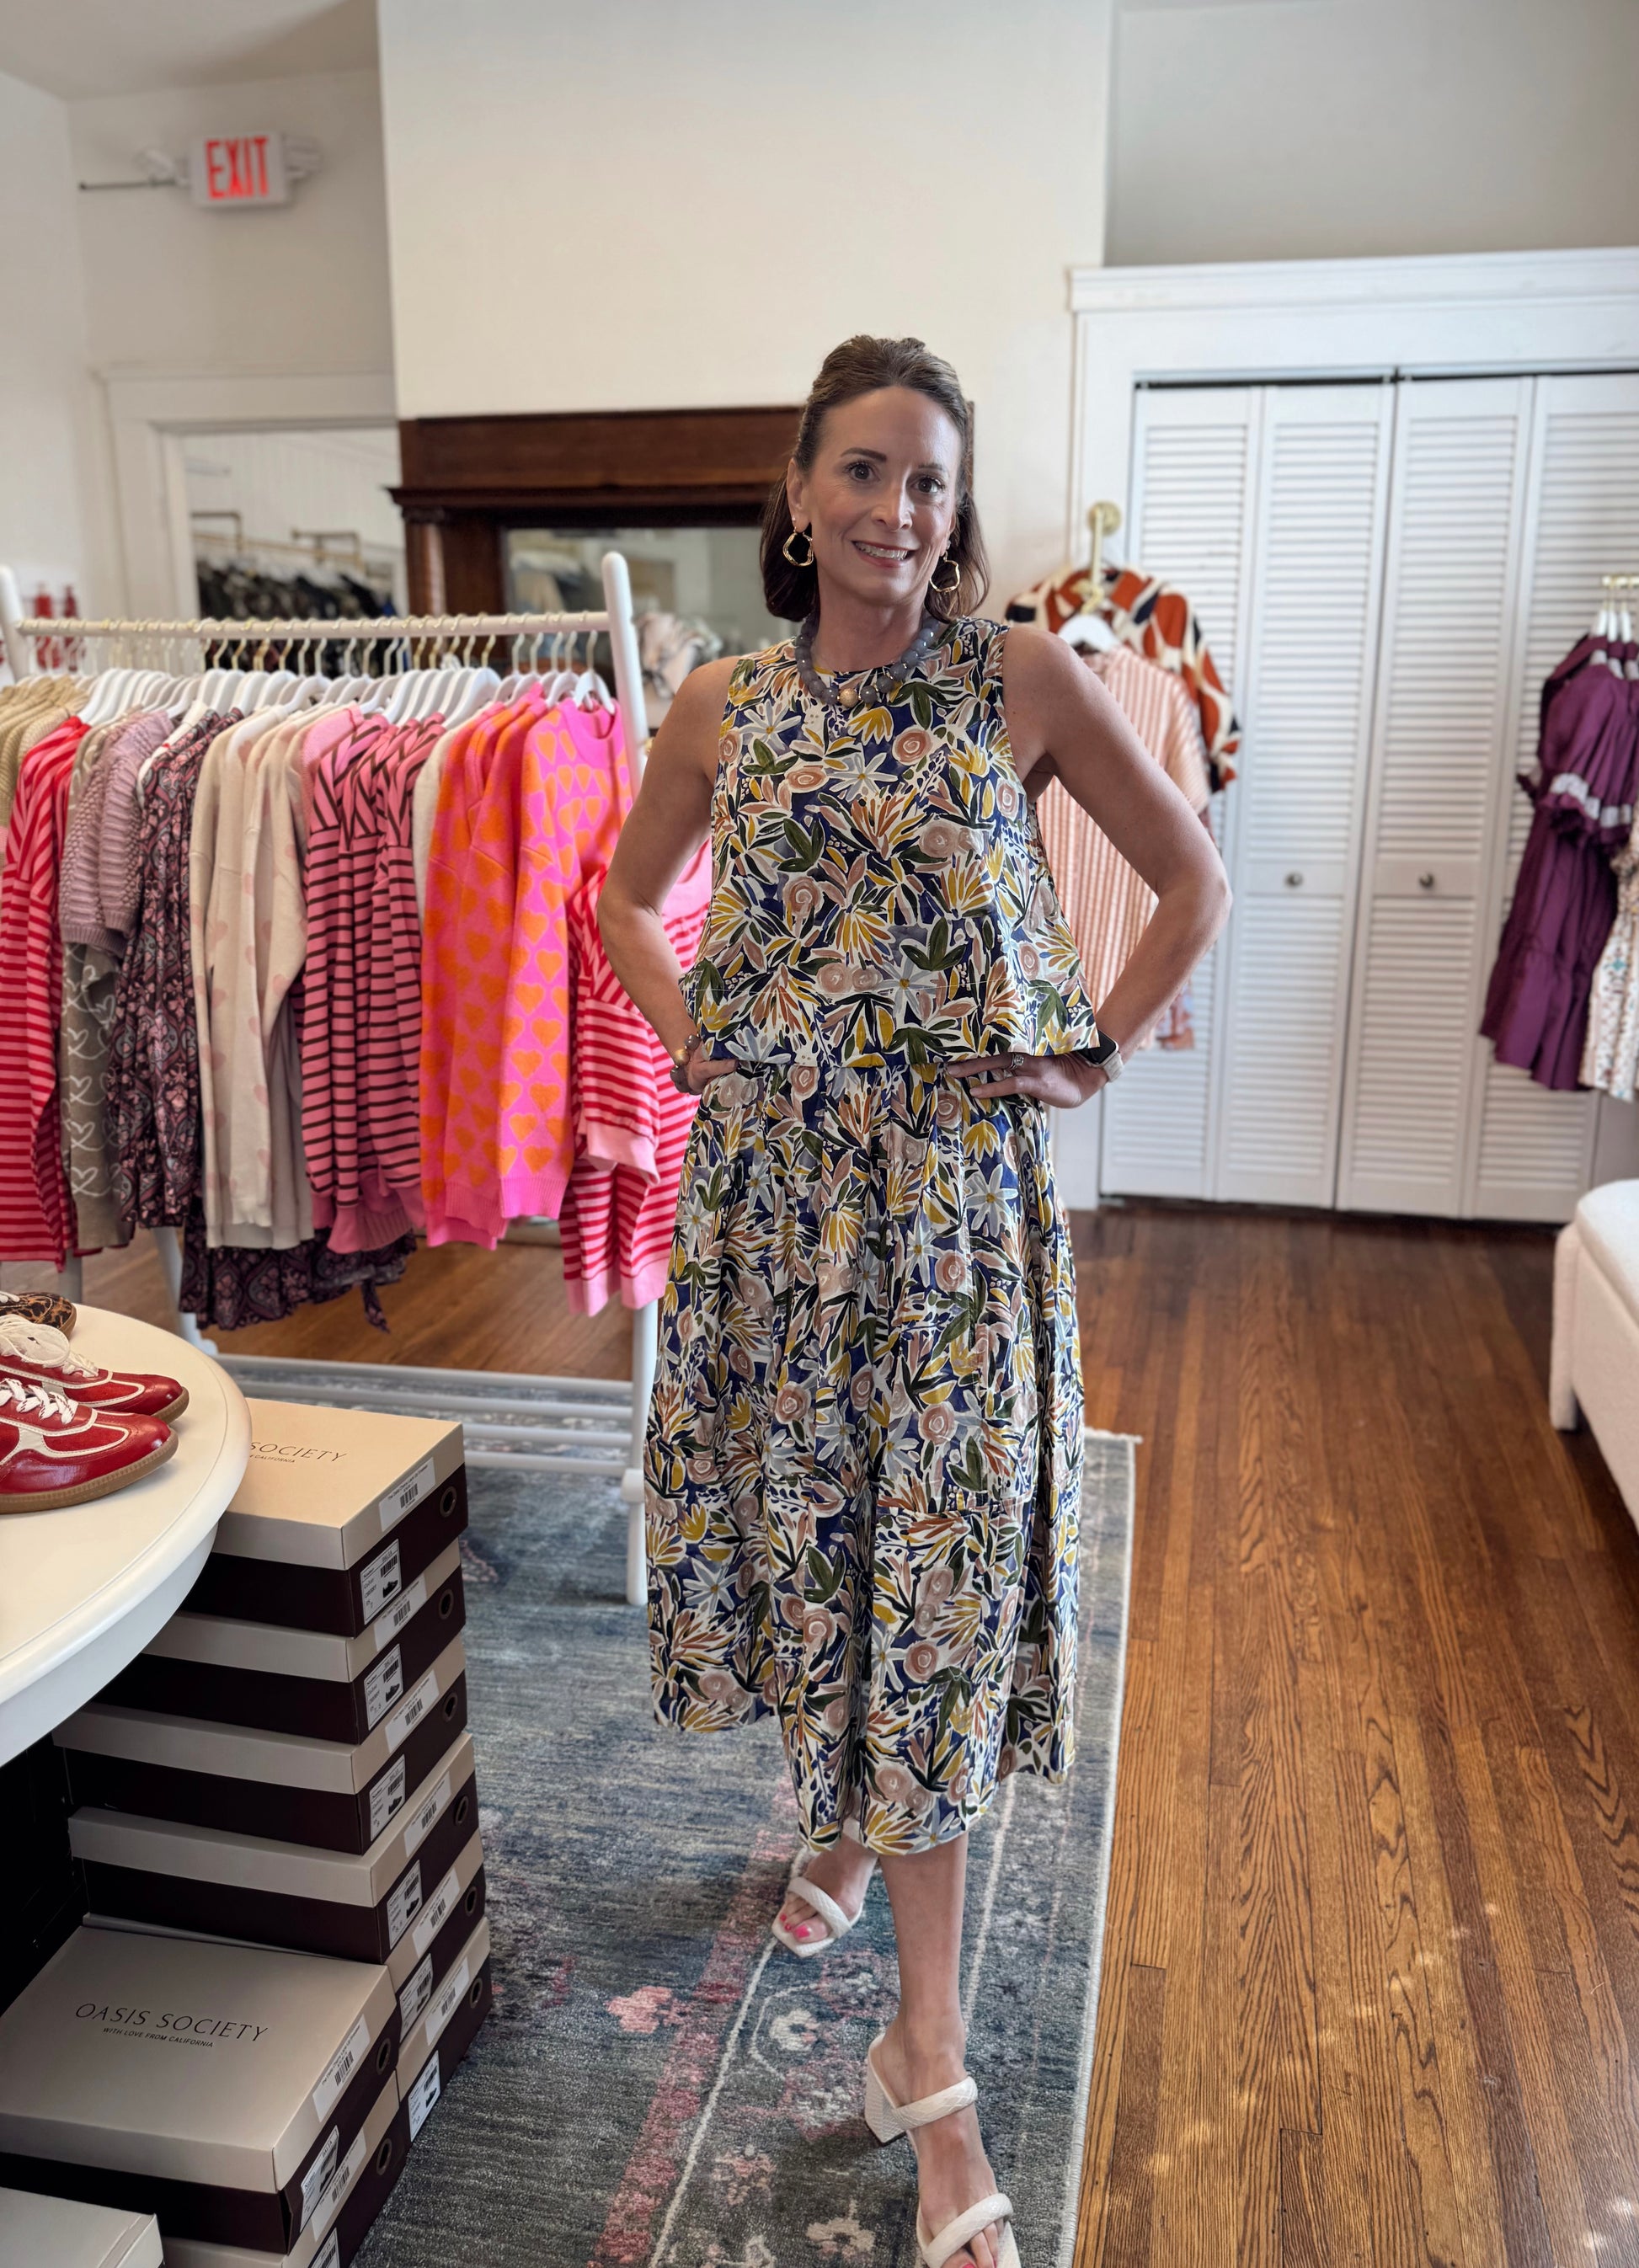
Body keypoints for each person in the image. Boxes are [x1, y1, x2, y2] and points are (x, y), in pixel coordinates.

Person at [597, 335, 1229, 2268]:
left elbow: (1189, 881)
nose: (898, 510)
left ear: (957, 515)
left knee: (934, 1595)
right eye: (864, 471)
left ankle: (924, 2065)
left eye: (931, 481)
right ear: (797, 496)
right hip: (775, 1218)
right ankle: (844, 1824)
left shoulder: (1013, 677)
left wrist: (1089, 1054)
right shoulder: (723, 702)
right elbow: (619, 899)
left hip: (953, 1219)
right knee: (822, 1555)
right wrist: (696, 1040)